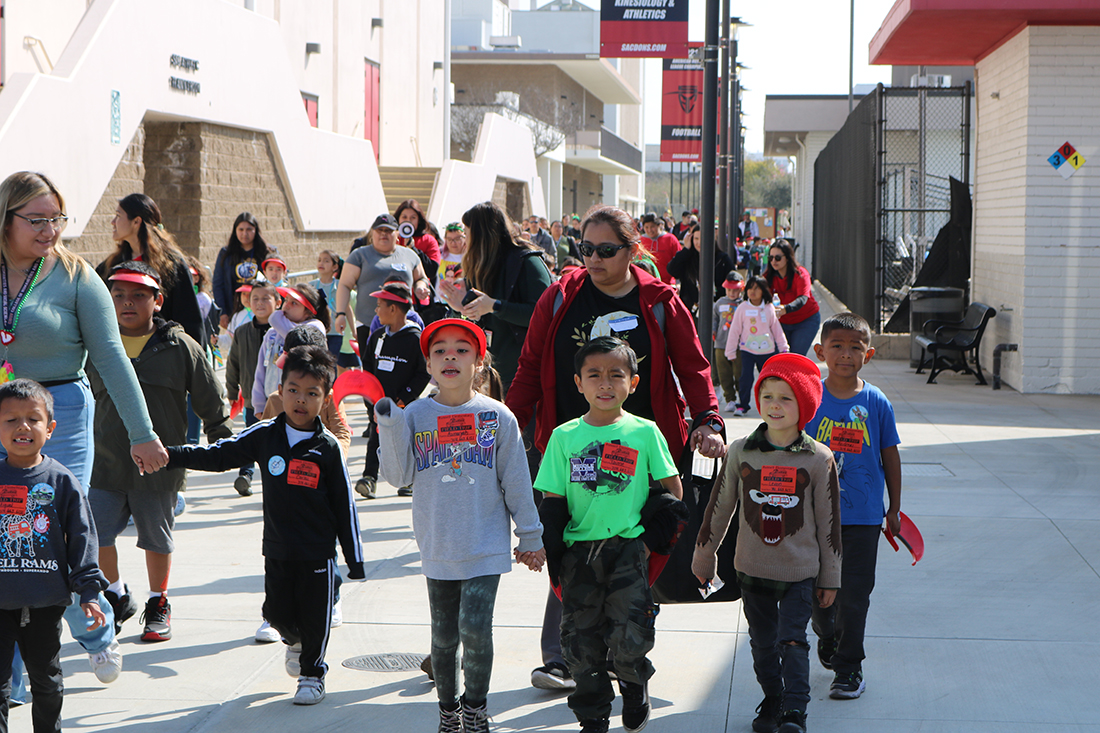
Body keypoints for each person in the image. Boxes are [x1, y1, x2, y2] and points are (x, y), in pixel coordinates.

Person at [506, 204, 725, 691]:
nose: (594, 259)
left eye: (606, 250)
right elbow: (529, 364)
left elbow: (694, 368)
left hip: (639, 452)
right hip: (570, 449)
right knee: (568, 546)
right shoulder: (559, 298)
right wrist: (508, 421)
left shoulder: (661, 301)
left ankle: (625, 655)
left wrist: (707, 419)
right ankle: (565, 656)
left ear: (632, 249)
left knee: (636, 555)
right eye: (586, 249)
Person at [1, 170, 169, 684]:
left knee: (57, 534)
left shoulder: (77, 277)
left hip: (62, 414)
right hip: (2, 410)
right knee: (8, 538)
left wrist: (143, 433)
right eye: (37, 219)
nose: (50, 229)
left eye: (57, 218)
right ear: (6, 219)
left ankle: (96, 633)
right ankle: (12, 674)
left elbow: (113, 359)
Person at [167, 345, 364, 706]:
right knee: (277, 615)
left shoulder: (328, 447)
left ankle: (312, 673)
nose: (300, 400)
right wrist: (172, 455)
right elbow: (220, 454)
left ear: (326, 398)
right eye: (293, 390)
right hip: (277, 547)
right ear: (280, 389)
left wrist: (355, 558)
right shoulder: (266, 435)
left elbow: (344, 505)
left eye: (311, 394)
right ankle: (296, 641)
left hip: (318, 551)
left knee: (316, 616)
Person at [375, 318, 545, 733]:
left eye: (461, 349)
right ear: (429, 365)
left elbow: (517, 481)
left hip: (485, 543)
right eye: (440, 350)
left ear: (479, 361)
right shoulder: (414, 414)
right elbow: (398, 477)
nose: (450, 355)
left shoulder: (498, 417)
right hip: (438, 545)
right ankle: (448, 712)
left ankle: (476, 709)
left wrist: (531, 535)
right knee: (444, 637)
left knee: (475, 627)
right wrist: (389, 425)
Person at [536, 337, 682, 733]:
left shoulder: (645, 432)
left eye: (615, 375)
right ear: (578, 383)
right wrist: (550, 550)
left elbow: (672, 489)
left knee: (630, 634)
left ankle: (634, 682)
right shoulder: (564, 437)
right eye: (594, 375)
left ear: (632, 383)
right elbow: (552, 498)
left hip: (627, 549)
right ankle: (593, 715)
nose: (605, 383)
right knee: (580, 644)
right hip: (577, 552)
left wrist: (650, 538)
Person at [693, 353, 841, 733]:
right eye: (768, 396)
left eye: (786, 398)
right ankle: (772, 699)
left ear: (803, 405)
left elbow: (829, 524)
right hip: (752, 570)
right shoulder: (741, 450)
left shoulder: (817, 458)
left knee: (792, 641)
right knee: (761, 646)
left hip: (800, 572)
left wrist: (830, 577)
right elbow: (720, 505)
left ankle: (795, 710)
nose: (775, 406)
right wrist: (704, 554)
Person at [88, 261, 232, 643]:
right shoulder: (97, 345)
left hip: (159, 464)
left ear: (158, 300)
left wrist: (224, 441)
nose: (127, 303)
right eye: (117, 295)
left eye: (138, 295)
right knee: (95, 534)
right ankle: (116, 594)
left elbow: (210, 399)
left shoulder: (181, 346)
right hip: (104, 463)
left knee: (156, 539)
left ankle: (158, 602)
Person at [0, 379, 108, 732]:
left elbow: (83, 538)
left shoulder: (61, 481)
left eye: (33, 418)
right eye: (10, 419)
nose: (22, 427)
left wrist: (89, 592)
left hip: (46, 603)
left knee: (47, 682)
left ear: (51, 428)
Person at [806, 312, 901, 701]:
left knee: (855, 594)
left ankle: (849, 668)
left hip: (862, 518)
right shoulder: (810, 397)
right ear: (820, 351)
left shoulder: (876, 401)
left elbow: (889, 455)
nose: (846, 355)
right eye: (837, 347)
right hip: (813, 518)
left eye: (855, 348)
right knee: (816, 593)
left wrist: (893, 508)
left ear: (869, 354)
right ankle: (828, 634)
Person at [438, 201, 552, 392]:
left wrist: (496, 306)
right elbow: (481, 317)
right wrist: (463, 308)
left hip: (526, 374)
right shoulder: (480, 265)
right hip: (489, 373)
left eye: (467, 232)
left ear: (482, 233)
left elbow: (544, 314)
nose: (465, 240)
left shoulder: (527, 261)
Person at [354, 282, 429, 500]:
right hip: (379, 403)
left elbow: (422, 373)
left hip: (404, 404)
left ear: (394, 309)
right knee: (375, 439)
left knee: (406, 441)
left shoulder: (416, 339)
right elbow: (367, 366)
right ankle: (369, 478)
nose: (376, 310)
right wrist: (370, 398)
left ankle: (409, 481)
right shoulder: (378, 336)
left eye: (379, 305)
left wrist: (404, 398)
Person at [98, 193, 205, 344]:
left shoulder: (172, 265)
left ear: (136, 222)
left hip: (163, 353)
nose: (112, 222)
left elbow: (190, 320)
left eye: (118, 215)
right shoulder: (111, 265)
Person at [336, 213, 430, 357]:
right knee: (372, 369)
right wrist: (340, 313)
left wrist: (420, 287)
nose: (383, 234)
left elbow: (421, 278)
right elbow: (344, 285)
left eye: (388, 230)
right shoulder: (359, 255)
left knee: (403, 364)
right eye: (379, 230)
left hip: (404, 323)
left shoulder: (409, 255)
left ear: (397, 234)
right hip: (368, 324)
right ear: (372, 233)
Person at [225, 281, 275, 498]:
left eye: (266, 298)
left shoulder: (282, 331)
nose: (260, 303)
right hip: (251, 399)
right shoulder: (243, 331)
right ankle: (245, 475)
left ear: (277, 302)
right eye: (255, 299)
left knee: (274, 441)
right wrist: (231, 390)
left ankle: (274, 480)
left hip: (277, 399)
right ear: (248, 302)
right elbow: (233, 362)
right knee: (251, 437)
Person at [252, 283, 328, 415]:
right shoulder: (272, 333)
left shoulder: (314, 328)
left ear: (308, 312)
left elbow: (292, 333)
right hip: (273, 401)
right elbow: (261, 370)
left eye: (294, 303)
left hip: (302, 403)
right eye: (286, 300)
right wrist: (259, 405)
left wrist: (276, 317)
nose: (286, 306)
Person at [726, 275, 789, 417]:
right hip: (747, 350)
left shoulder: (769, 308)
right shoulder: (742, 308)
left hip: (767, 351)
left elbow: (776, 329)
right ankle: (743, 405)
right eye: (750, 288)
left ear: (763, 291)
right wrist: (730, 352)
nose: (752, 291)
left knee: (768, 381)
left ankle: (768, 406)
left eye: (756, 288)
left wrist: (783, 347)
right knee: (745, 378)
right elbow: (735, 330)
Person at [212, 212, 275, 330]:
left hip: (260, 309)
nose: (244, 233)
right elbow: (218, 284)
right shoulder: (226, 253)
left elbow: (275, 279)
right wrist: (223, 312)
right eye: (240, 229)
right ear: (235, 230)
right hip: (234, 309)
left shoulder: (267, 252)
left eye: (249, 229)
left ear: (256, 230)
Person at [765, 239, 821, 357]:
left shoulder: (800, 274)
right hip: (780, 323)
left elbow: (803, 298)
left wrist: (786, 309)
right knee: (777, 357)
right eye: (771, 258)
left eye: (778, 258)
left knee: (795, 357)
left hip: (806, 320)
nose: (774, 261)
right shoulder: (768, 276)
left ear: (788, 257)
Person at [666, 223, 737, 315]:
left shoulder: (722, 259)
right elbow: (672, 270)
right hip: (690, 309)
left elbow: (732, 282)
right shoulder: (687, 257)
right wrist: (685, 250)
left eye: (703, 238)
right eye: (696, 239)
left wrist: (715, 290)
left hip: (716, 310)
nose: (699, 242)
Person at [713, 271, 745, 411]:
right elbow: (714, 318)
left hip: (738, 344)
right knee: (723, 373)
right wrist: (713, 330)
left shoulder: (743, 304)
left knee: (739, 372)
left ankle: (740, 395)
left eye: (735, 290)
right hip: (721, 343)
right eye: (729, 290)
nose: (732, 293)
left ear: (740, 290)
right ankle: (730, 399)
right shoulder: (720, 303)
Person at [395, 198, 442, 264]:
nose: (408, 221)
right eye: (404, 217)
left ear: (419, 220)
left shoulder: (428, 240)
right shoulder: (392, 238)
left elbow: (432, 270)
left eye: (413, 218)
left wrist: (413, 249)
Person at [638, 213, 681, 284]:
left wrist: (678, 281)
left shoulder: (670, 239)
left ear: (659, 225)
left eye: (652, 226)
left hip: (667, 283)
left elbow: (679, 260)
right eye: (646, 227)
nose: (649, 230)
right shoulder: (641, 240)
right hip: (646, 282)